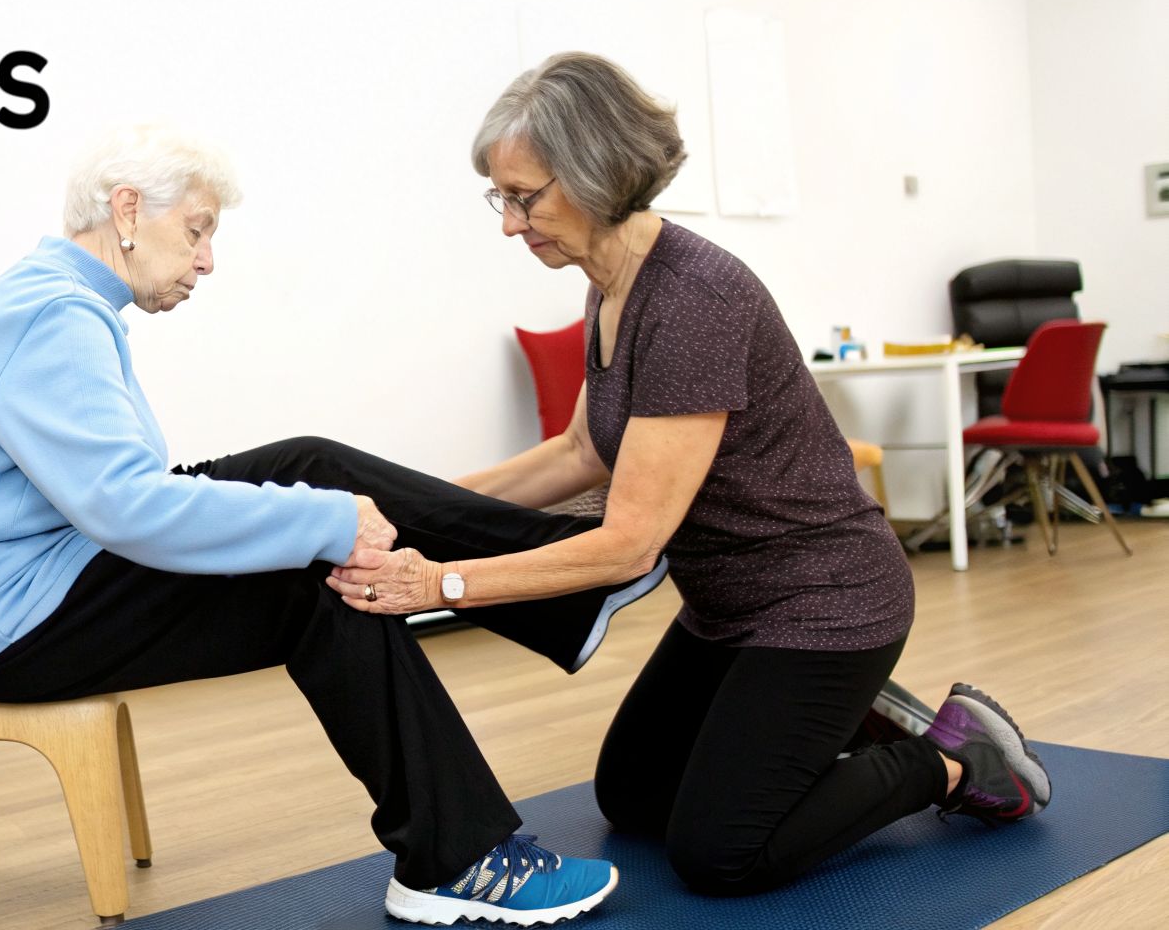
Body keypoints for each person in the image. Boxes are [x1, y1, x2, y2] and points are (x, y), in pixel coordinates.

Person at [0, 125, 667, 925]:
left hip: (41, 583)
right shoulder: (52, 319)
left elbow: (119, 500)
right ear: (126, 209)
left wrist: (321, 515)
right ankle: (460, 857)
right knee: (322, 576)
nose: (206, 260)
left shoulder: (59, 303)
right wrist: (329, 525)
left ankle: (562, 593)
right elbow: (128, 506)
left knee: (309, 465)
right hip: (4, 621)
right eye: (196, 231)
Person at [326, 53, 1051, 896]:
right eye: (502, 197)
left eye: (525, 197)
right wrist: (405, 513)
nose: (510, 223)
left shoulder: (693, 299)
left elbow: (630, 544)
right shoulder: (609, 285)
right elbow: (579, 455)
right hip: (727, 610)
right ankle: (850, 717)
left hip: (828, 600)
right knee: (633, 798)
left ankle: (949, 763)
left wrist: (437, 583)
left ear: (596, 176)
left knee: (722, 852)